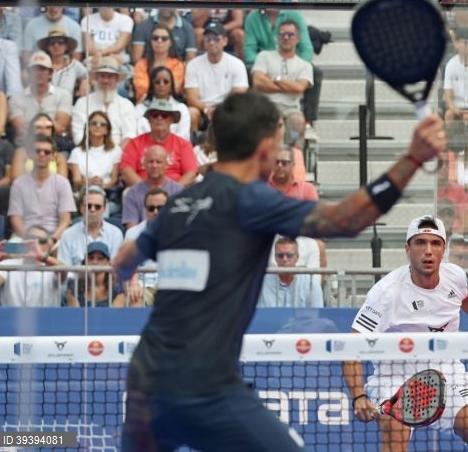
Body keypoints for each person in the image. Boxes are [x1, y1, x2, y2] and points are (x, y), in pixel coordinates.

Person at [113, 91, 446, 450]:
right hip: (206, 387)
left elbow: (124, 261)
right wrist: (412, 158)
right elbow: (345, 219)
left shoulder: (179, 203)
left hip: (146, 382)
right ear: (264, 147)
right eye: (278, 143)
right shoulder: (250, 200)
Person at [343, 216, 468, 452]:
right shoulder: (385, 293)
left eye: (435, 243)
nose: (428, 251)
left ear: (444, 249)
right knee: (394, 436)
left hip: (448, 374)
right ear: (407, 249)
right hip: (394, 380)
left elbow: (466, 299)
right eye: (420, 243)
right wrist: (359, 396)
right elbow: (350, 348)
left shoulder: (455, 277)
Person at [252, 19, 313, 148]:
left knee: (297, 121)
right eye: (282, 34)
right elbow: (258, 82)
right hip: (265, 105)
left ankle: (296, 155)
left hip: (290, 109)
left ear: (298, 38)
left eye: (290, 35)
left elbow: (299, 88)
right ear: (277, 37)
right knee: (274, 122)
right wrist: (290, 86)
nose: (286, 38)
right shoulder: (264, 56)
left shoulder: (305, 66)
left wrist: (276, 79)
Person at [7, 134, 76, 243]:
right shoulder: (18, 184)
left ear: (53, 156)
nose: (42, 154)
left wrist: (52, 240)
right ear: (29, 154)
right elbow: (15, 219)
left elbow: (65, 220)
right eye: (37, 151)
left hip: (54, 236)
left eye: (47, 152)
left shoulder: (63, 183)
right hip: (24, 236)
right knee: (11, 248)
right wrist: (29, 240)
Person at [184, 21, 248, 132]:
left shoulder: (237, 64)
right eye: (208, 39)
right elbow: (191, 98)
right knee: (191, 113)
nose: (212, 42)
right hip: (203, 109)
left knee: (242, 111)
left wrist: (220, 110)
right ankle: (192, 143)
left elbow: (239, 93)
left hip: (227, 108)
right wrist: (207, 109)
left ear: (225, 41)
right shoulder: (193, 65)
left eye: (216, 39)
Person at [119, 99, 197, 187]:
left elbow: (191, 173)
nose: (159, 118)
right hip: (141, 190)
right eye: (155, 115)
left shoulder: (183, 145)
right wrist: (144, 189)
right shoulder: (134, 143)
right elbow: (126, 170)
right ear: (149, 119)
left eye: (164, 115)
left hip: (176, 191)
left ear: (171, 120)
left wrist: (173, 190)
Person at [0, 226, 64, 306]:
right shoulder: (7, 264)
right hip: (11, 314)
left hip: (46, 314)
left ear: (47, 247)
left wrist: (43, 257)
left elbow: (64, 271)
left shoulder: (52, 269)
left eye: (41, 241)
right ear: (23, 241)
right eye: (31, 237)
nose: (34, 243)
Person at [9, 51, 73, 145]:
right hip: (27, 144)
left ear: (50, 73)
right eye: (35, 69)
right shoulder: (15, 99)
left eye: (43, 69)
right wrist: (48, 125)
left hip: (55, 143)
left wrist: (35, 125)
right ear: (29, 73)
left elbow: (60, 128)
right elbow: (21, 130)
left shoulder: (64, 95)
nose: (39, 73)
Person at [71, 57, 137, 148]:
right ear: (97, 78)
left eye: (110, 77)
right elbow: (78, 134)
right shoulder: (82, 103)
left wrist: (115, 153)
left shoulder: (126, 105)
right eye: (102, 76)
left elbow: (130, 135)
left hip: (119, 152)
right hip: (88, 151)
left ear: (116, 79)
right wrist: (94, 152)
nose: (105, 80)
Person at [121, 144, 183, 228]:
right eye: (150, 161)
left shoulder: (179, 191)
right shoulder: (132, 193)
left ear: (166, 165)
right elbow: (132, 229)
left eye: (158, 162)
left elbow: (182, 224)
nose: (154, 166)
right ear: (144, 164)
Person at [123, 187, 167, 306]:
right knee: (134, 299)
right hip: (143, 286)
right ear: (145, 209)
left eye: (160, 208)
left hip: (169, 287)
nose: (156, 212)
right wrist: (133, 284)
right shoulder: (133, 233)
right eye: (151, 208)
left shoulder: (178, 232)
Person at [258, 236, 323, 307]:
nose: (285, 259)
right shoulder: (262, 283)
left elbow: (317, 311)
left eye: (289, 255)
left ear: (297, 257)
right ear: (275, 257)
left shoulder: (310, 284)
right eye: (280, 255)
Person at [135, 66, 191, 141]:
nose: (162, 85)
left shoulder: (181, 109)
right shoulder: (140, 109)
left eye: (166, 82)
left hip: (175, 148)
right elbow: (139, 137)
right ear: (152, 86)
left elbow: (183, 138)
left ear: (171, 86)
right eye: (157, 82)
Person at [132, 24, 185, 102]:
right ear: (151, 42)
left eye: (164, 38)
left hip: (171, 104)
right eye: (155, 38)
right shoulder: (141, 65)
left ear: (170, 42)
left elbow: (175, 88)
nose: (159, 41)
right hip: (146, 103)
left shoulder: (177, 65)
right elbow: (141, 89)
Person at [37, 25, 88, 100]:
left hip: (67, 105)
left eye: (60, 42)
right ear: (47, 46)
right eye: (52, 43)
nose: (56, 45)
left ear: (66, 46)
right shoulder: (41, 65)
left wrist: (84, 83)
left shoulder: (74, 65)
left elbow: (88, 76)